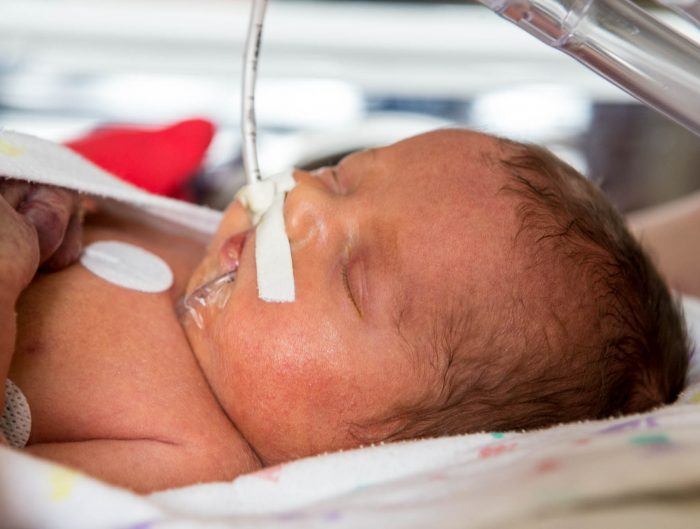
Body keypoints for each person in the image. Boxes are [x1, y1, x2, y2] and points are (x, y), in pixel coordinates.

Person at [0, 129, 689, 493]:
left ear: (385, 449)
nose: (299, 204)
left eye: (353, 279)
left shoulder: (186, 453)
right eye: (339, 176)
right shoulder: (195, 244)